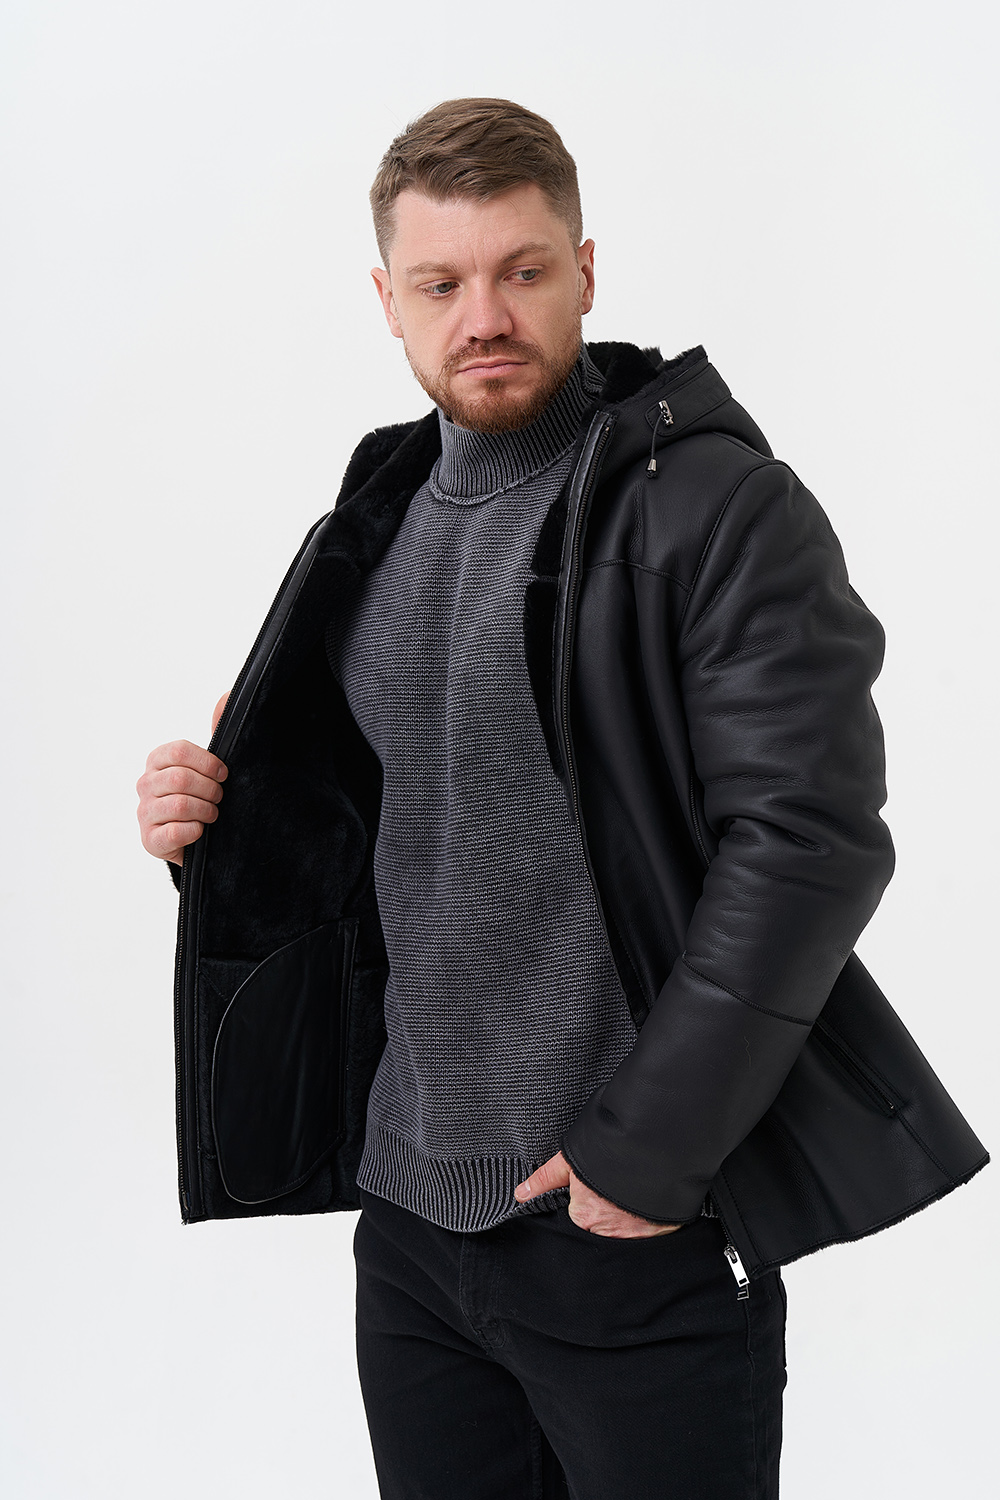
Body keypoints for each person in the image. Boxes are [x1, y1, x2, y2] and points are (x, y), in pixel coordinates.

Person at [135, 98, 988, 1499]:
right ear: (387, 302)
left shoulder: (716, 509)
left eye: (522, 271)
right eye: (441, 283)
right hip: (410, 1226)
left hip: (627, 1227)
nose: (484, 316)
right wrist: (207, 832)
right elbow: (378, 825)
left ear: (585, 273)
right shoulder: (376, 511)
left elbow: (810, 844)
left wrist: (645, 1158)